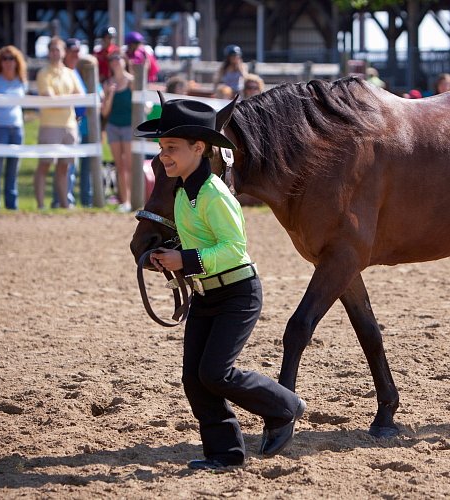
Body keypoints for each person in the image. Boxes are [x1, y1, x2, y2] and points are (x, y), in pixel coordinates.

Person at [135, 96, 306, 469]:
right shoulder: (182, 193)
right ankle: (225, 454)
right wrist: (164, 254)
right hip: (204, 294)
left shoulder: (215, 193)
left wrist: (187, 259)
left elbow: (233, 248)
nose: (164, 156)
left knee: (216, 373)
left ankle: (285, 406)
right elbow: (193, 239)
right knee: (195, 381)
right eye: (162, 148)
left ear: (199, 148)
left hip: (237, 295)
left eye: (172, 148)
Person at [34, 36, 83, 210]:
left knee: (64, 167)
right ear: (49, 52)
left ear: (63, 52)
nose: (55, 53)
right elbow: (49, 98)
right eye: (52, 50)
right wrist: (66, 99)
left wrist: (61, 99)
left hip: (69, 125)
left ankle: (64, 204)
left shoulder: (70, 73)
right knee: (45, 165)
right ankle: (40, 204)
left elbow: (80, 95)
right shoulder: (43, 73)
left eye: (58, 50)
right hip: (49, 125)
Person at [0, 45, 27, 210]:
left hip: (16, 127)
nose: (8, 62)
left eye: (11, 59)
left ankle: (11, 204)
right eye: (5, 59)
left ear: (17, 62)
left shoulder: (21, 81)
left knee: (13, 167)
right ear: (0, 62)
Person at [101, 51, 134, 213]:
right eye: (111, 59)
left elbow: (140, 105)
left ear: (124, 60)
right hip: (113, 126)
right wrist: (111, 94)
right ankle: (125, 200)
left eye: (117, 58)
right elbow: (105, 112)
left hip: (129, 126)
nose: (114, 62)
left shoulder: (133, 81)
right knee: (120, 166)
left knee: (129, 165)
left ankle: (134, 199)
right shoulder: (108, 83)